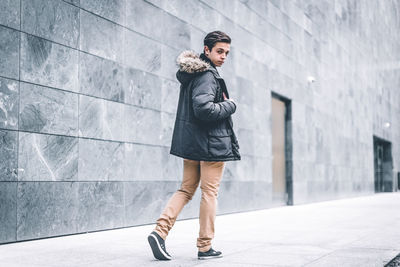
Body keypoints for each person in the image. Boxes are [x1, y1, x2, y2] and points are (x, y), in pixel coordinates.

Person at [147, 31, 241, 261]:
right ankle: (205, 246)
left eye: (226, 53)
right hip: (210, 144)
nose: (223, 56)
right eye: (219, 51)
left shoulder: (194, 74)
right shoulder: (208, 75)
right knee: (209, 193)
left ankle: (159, 232)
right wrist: (230, 105)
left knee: (186, 189)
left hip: (194, 143)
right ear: (206, 50)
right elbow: (204, 109)